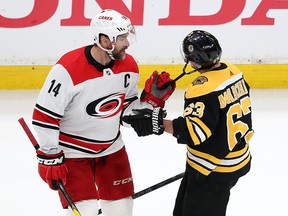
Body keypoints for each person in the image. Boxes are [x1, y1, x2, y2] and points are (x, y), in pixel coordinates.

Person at [31, 9, 174, 216]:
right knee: (86, 212)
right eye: (122, 38)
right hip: (73, 153)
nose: (127, 43)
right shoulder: (67, 70)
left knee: (121, 211)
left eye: (127, 36)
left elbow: (124, 113)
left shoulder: (129, 65)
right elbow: (45, 116)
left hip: (112, 149)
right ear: (104, 40)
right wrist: (50, 156)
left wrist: (150, 103)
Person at [122, 30, 254, 216]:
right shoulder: (233, 70)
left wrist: (157, 122)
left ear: (193, 61)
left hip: (212, 168)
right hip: (238, 157)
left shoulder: (201, 88)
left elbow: (195, 133)